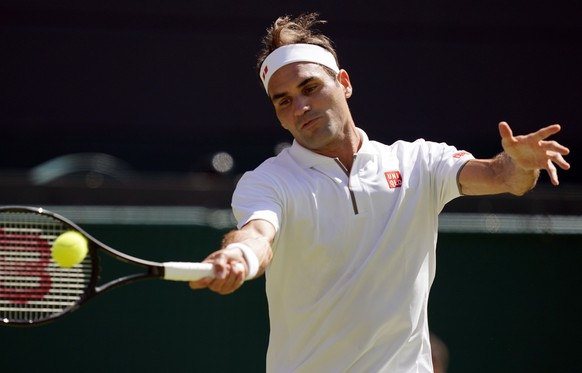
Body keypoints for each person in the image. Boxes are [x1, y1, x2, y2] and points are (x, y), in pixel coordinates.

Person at [189, 13, 570, 372]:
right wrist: (238, 255)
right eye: (284, 100)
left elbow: (502, 176)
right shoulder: (267, 181)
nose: (301, 106)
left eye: (310, 87)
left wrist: (520, 164)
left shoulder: (418, 161)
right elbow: (257, 234)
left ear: (344, 83)